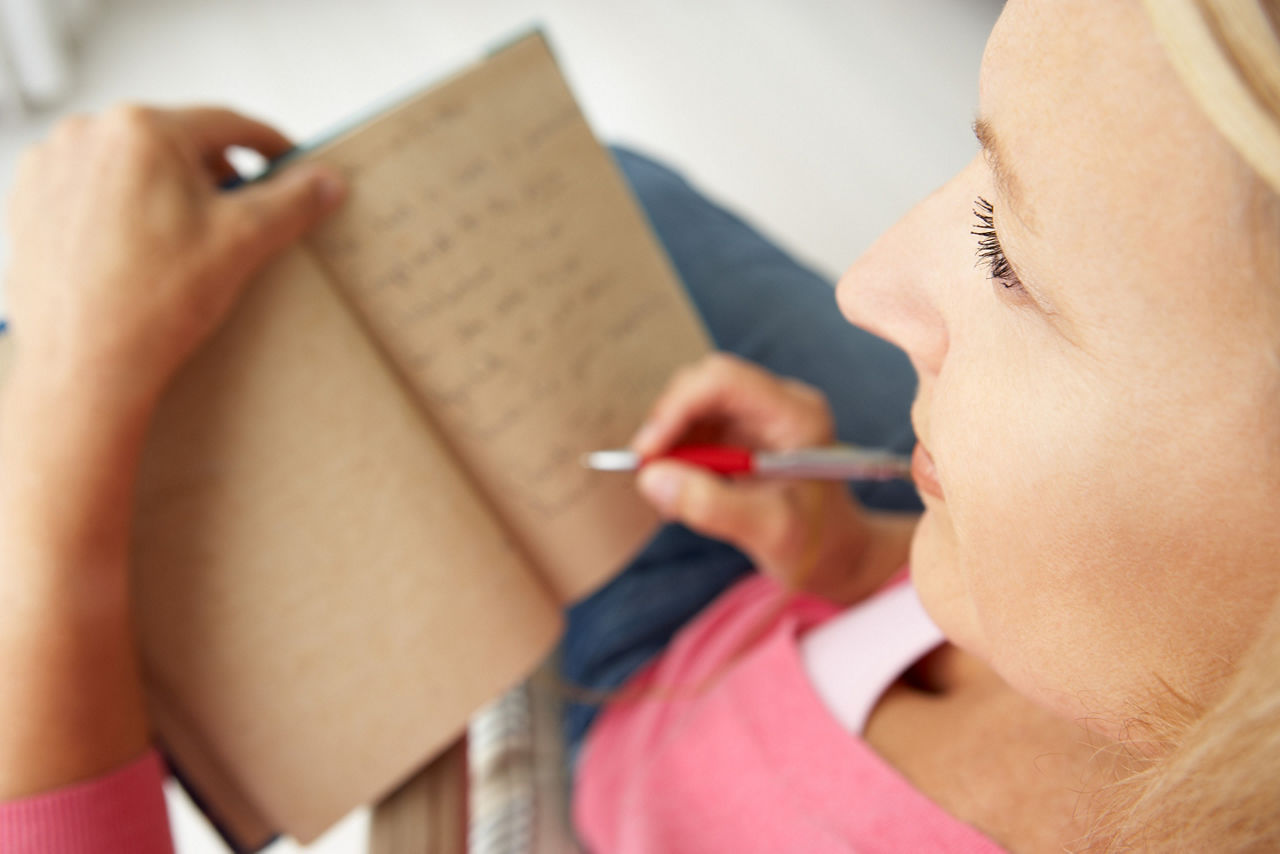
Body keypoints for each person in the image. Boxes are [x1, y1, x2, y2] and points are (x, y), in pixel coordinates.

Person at [2, 0, 1278, 850]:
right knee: (612, 192)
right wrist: (851, 559)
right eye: (978, 169)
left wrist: (67, 395)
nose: (867, 275)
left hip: (574, 786)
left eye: (1007, 255)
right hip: (765, 616)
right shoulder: (1163, 646)